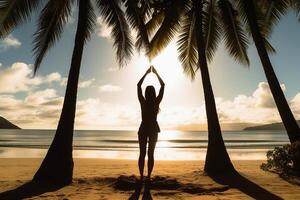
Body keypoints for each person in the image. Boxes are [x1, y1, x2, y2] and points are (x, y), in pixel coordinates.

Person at [137, 65, 165, 182]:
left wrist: (146, 73)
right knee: (150, 154)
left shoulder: (143, 102)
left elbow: (138, 85)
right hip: (153, 128)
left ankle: (142, 176)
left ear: (146, 93)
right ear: (153, 93)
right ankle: (148, 176)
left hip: (144, 128)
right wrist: (156, 73)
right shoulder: (156, 103)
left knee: (142, 153)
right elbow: (163, 85)